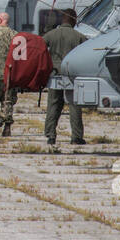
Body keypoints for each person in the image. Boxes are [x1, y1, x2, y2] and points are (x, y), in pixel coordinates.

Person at [43, 9, 87, 146]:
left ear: (62, 19)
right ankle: (76, 137)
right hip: (72, 75)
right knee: (74, 106)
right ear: (73, 20)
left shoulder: (51, 35)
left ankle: (50, 135)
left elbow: (40, 47)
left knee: (53, 105)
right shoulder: (79, 36)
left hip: (54, 75)